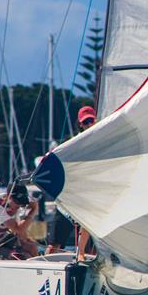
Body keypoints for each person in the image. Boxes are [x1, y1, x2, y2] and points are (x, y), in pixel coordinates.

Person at [46, 105, 96, 258]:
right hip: (67, 199)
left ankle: (87, 270)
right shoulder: (72, 144)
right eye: (85, 122)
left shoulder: (100, 144)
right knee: (54, 244)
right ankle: (44, 268)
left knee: (91, 248)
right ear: (80, 124)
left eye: (91, 121)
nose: (88, 124)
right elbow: (53, 157)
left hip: (88, 198)